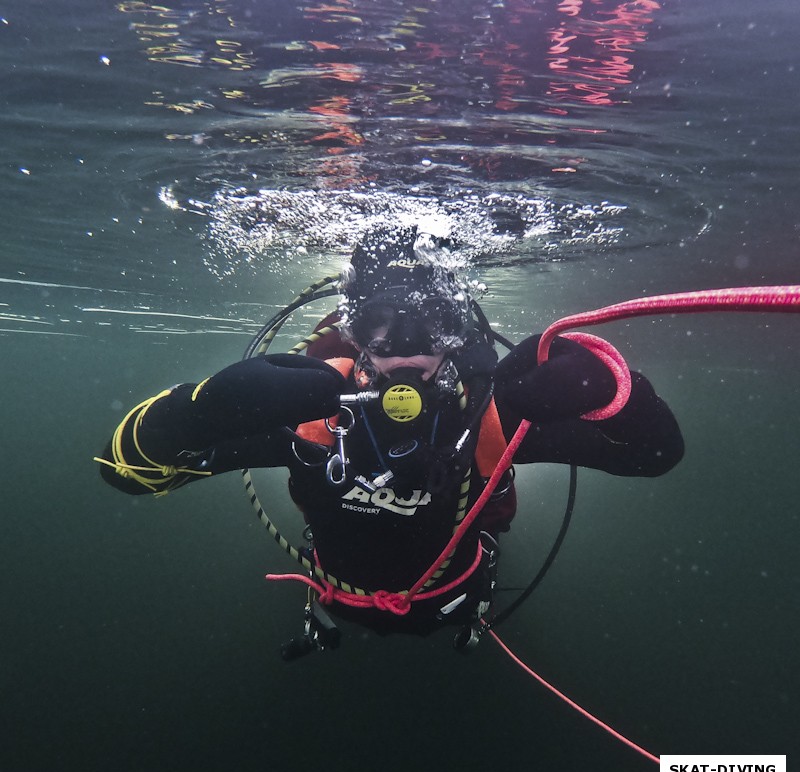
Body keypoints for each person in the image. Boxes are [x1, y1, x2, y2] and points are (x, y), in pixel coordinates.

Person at [97, 224, 683, 650]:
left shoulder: (491, 418)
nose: (405, 348)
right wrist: (197, 412)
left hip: (454, 601)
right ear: (353, 332)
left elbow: (653, 457)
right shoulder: (309, 419)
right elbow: (127, 475)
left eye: (432, 326)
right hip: (339, 599)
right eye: (382, 327)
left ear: (459, 331)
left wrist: (618, 395)